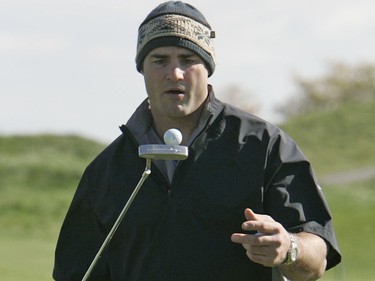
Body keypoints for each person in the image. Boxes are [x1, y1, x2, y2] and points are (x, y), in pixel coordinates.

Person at [53, 1, 341, 280]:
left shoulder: (264, 146)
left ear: (208, 68)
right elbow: (77, 272)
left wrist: (288, 248)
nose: (174, 73)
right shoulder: (106, 171)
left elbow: (317, 254)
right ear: (142, 69)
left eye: (188, 60)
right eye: (160, 60)